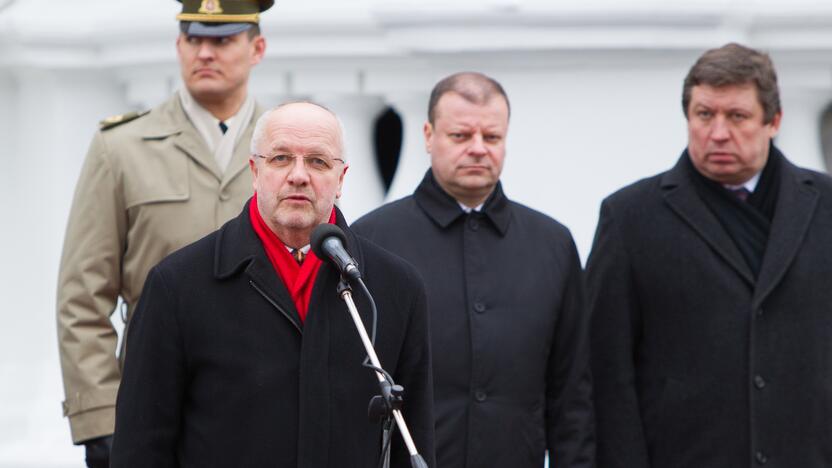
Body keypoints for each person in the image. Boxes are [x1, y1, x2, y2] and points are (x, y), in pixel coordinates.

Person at [109, 102, 435, 467]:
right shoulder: (178, 286)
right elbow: (140, 446)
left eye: (318, 162)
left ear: (341, 179)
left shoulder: (393, 288)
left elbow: (415, 437)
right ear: (255, 171)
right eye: (281, 159)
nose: (298, 176)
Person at [587, 42, 832, 468]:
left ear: (773, 121)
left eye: (737, 116)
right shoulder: (630, 219)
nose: (718, 133)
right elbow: (605, 373)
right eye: (704, 115)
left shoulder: (826, 207)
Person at [56, 1, 271, 466]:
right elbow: (82, 297)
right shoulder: (121, 148)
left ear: (257, 48)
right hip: (152, 408)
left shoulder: (286, 150)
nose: (205, 53)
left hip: (267, 409)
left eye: (222, 40)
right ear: (178, 45)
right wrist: (101, 420)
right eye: (194, 39)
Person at [352, 72, 595, 468]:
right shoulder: (372, 239)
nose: (478, 149)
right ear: (429, 136)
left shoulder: (552, 243)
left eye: (492, 137)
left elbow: (573, 394)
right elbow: (348, 383)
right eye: (461, 136)